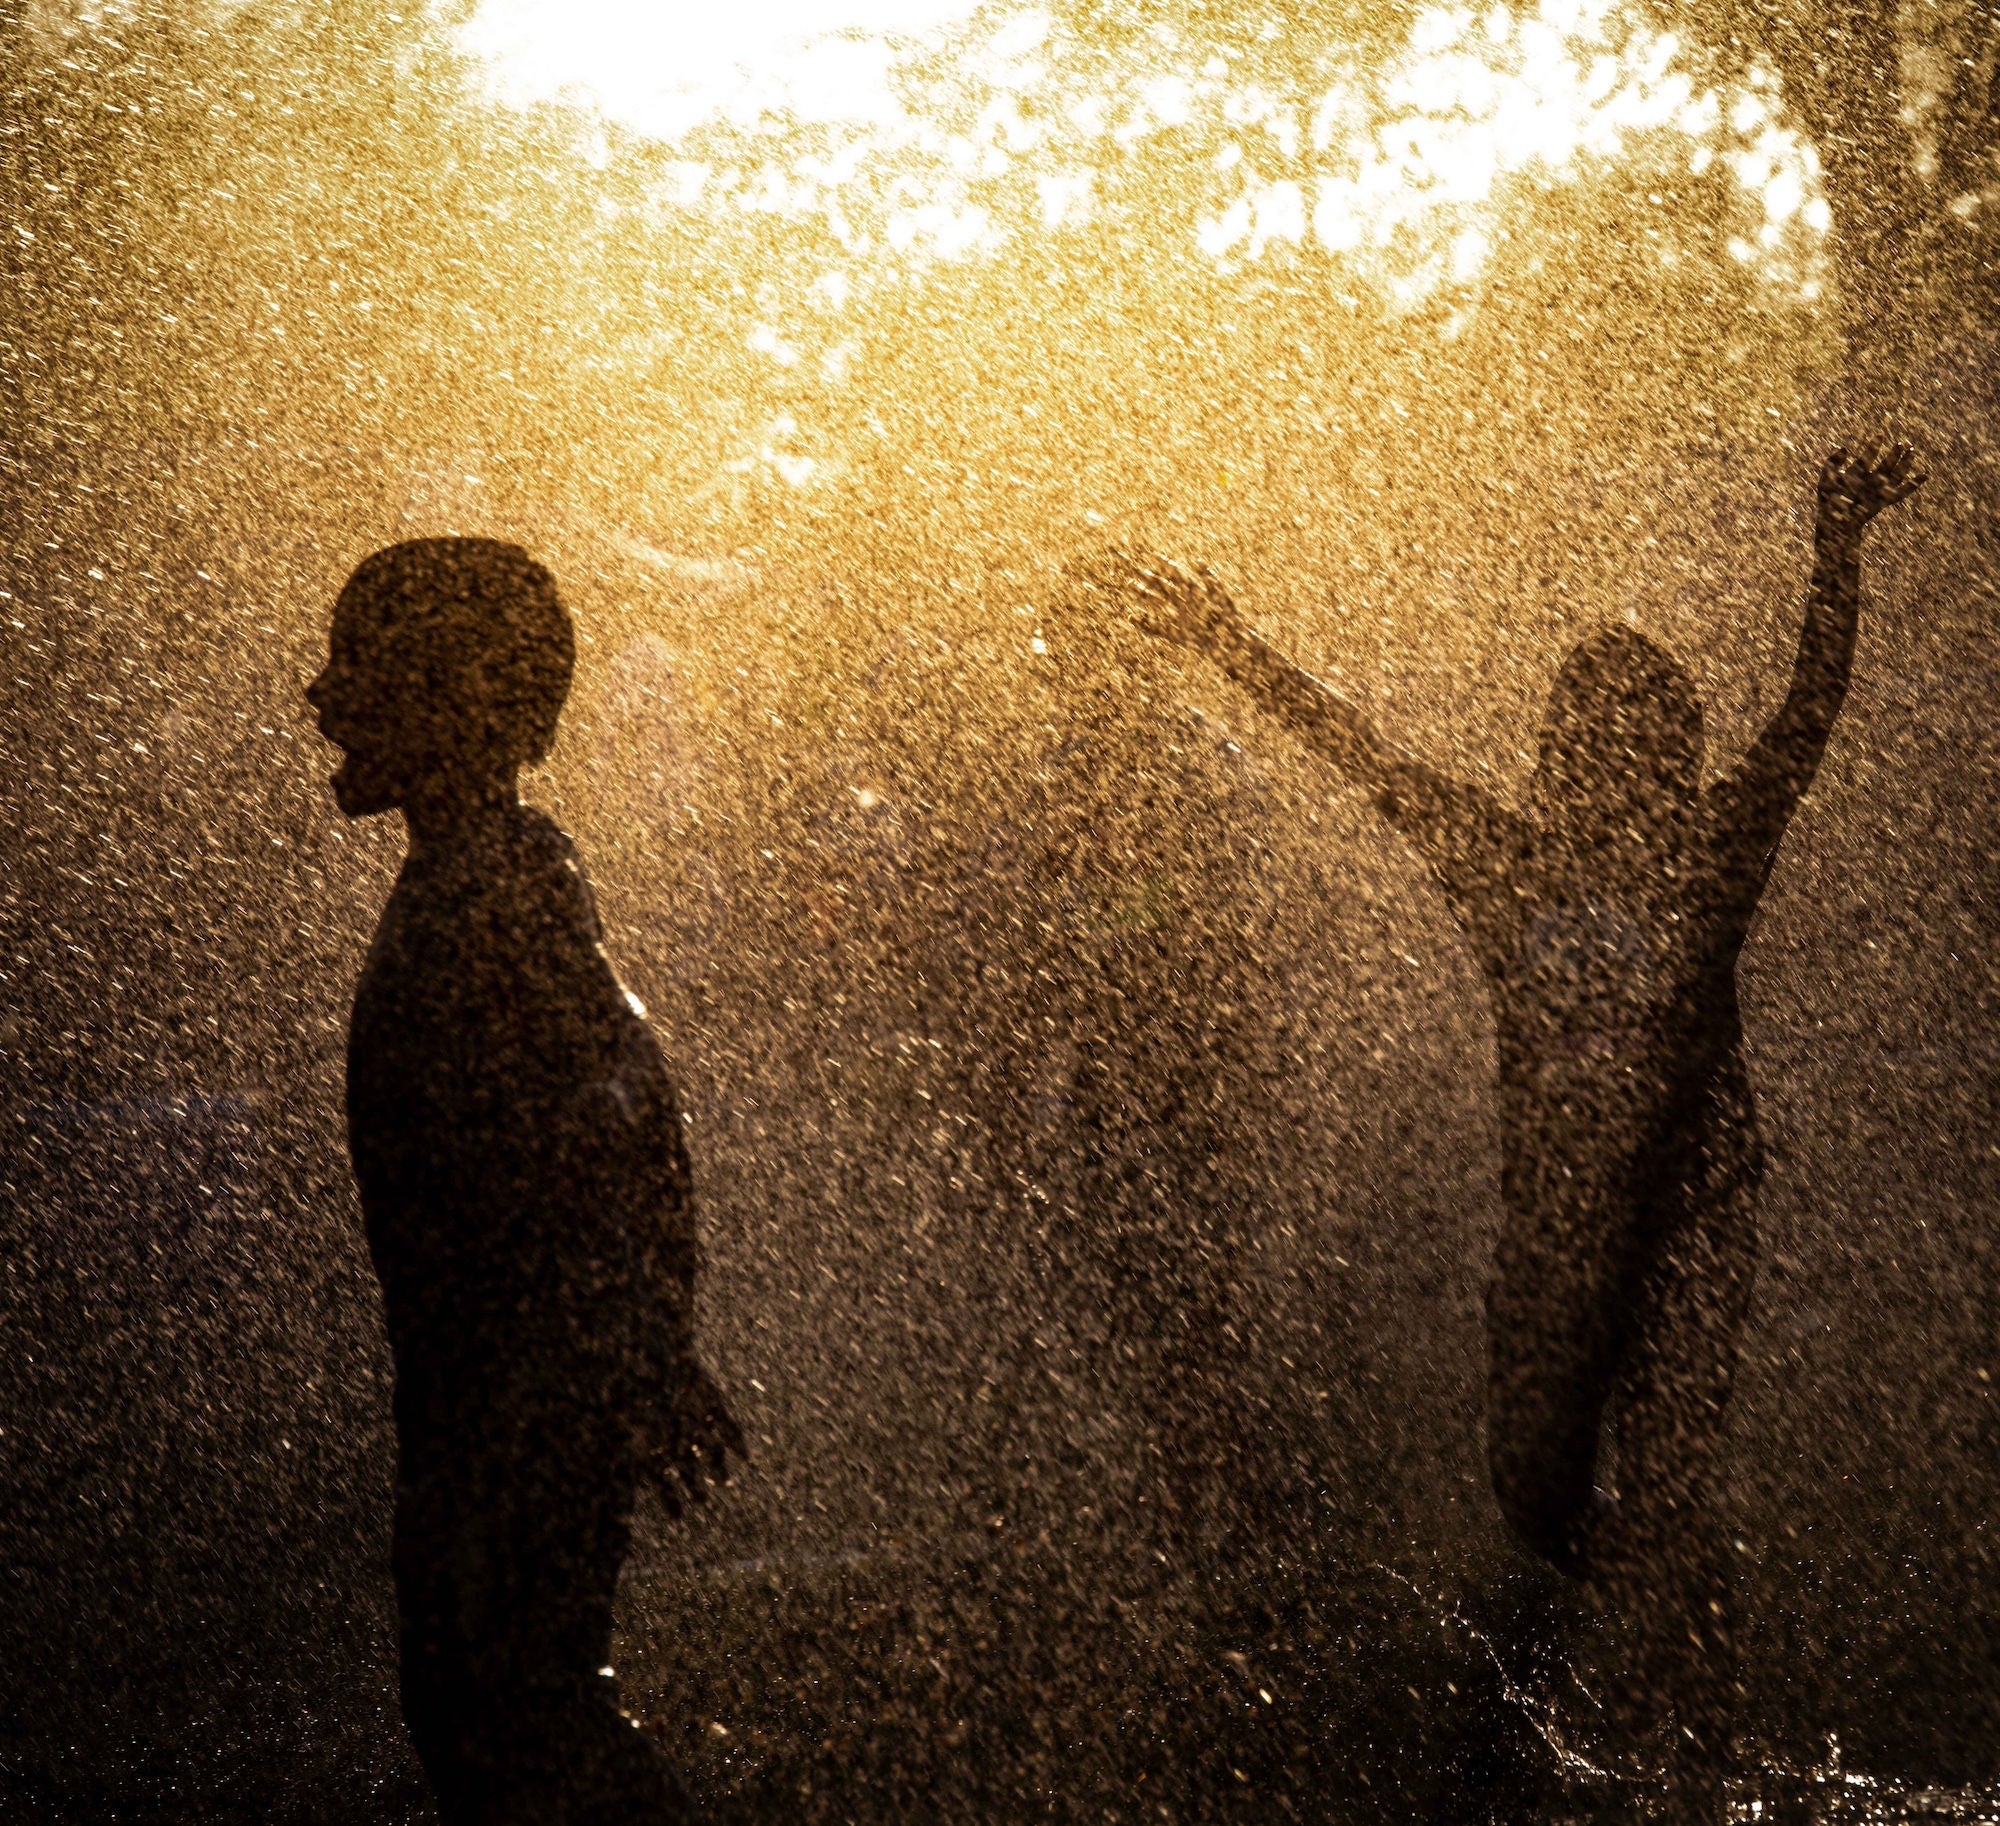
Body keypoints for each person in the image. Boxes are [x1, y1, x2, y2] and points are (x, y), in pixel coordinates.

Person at [1115, 445, 1923, 1807]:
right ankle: (1652, 1674)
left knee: (1659, 1490)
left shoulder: (1712, 853)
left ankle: (1693, 1738)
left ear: (1670, 757)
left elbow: (1805, 715)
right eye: (1586, 731)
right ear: (1562, 753)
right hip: (1553, 1236)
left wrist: (1835, 546)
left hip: (1688, 1226)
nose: (1607, 758)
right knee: (1534, 1496)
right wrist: (1227, 643)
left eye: (1635, 734)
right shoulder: (1507, 866)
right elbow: (1358, 751)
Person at [306, 538, 743, 1825]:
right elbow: (625, 1118)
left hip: (517, 1399)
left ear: (446, 694)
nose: (321, 695)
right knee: (501, 1715)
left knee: (509, 1719)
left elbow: (620, 1127)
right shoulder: (485, 877)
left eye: (356, 665)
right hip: (495, 1395)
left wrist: (633, 1343)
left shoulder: (496, 892)